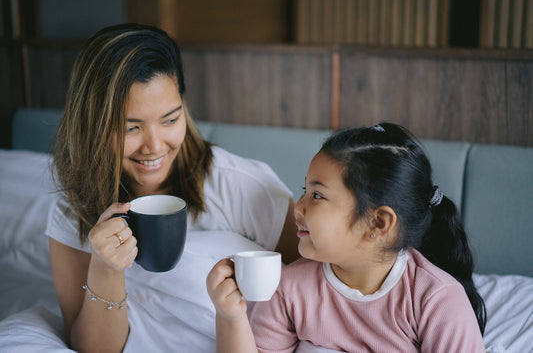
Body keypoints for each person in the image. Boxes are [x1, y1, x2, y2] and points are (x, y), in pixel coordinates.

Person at [46, 23, 299, 353]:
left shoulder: (242, 185)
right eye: (130, 128)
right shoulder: (72, 209)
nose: (154, 146)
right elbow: (93, 348)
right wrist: (106, 269)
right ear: (92, 123)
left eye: (169, 120)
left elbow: (318, 290)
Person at [207, 123, 487, 352]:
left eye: (317, 195)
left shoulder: (437, 300)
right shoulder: (289, 288)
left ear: (378, 222)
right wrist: (230, 316)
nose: (299, 205)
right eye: (304, 190)